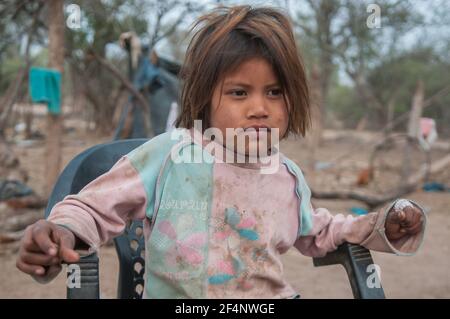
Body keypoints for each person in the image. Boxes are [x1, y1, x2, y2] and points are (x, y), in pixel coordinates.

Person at [16, 5, 426, 299]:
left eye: (275, 92)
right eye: (239, 92)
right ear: (205, 99)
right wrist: (61, 232)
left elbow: (317, 231)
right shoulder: (170, 156)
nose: (260, 107)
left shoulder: (285, 174)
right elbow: (92, 206)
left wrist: (378, 226)